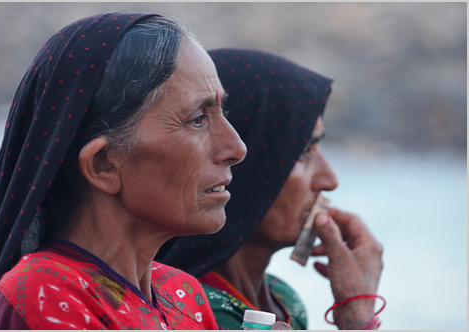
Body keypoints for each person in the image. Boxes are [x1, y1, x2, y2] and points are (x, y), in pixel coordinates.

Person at [0, 13, 249, 330]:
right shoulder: (43, 292)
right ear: (103, 163)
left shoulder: (182, 292)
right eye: (198, 118)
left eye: (221, 112)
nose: (236, 148)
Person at [156, 49, 384, 330]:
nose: (329, 180)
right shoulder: (187, 311)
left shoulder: (284, 300)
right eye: (303, 152)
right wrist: (358, 315)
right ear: (246, 165)